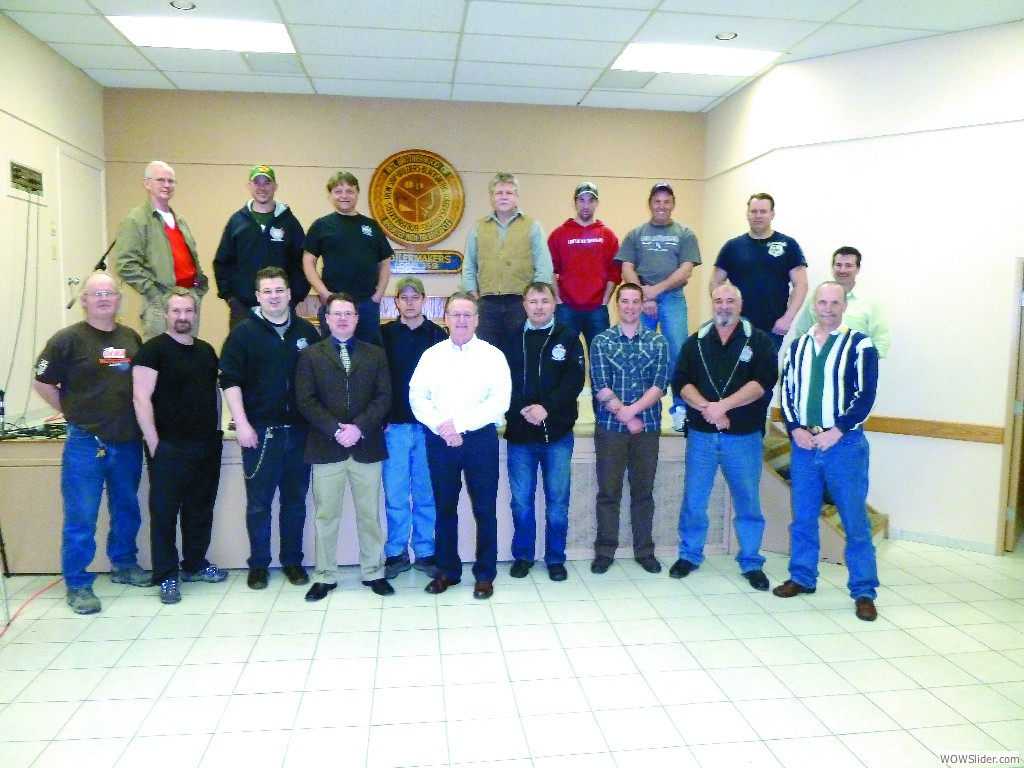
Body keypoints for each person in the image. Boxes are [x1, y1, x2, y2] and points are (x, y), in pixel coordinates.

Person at [33, 272, 151, 615]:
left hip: (127, 441)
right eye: (95, 293)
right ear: (84, 299)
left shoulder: (130, 337)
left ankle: (124, 565)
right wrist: (72, 413)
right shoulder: (66, 340)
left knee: (127, 509)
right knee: (81, 515)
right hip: (86, 443)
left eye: (109, 293)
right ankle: (78, 583)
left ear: (118, 299)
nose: (103, 298)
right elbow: (42, 382)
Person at [775, 282, 881, 621]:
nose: (828, 308)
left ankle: (863, 591)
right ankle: (802, 577)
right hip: (804, 445)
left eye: (835, 303)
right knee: (803, 517)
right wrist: (795, 429)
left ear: (843, 306)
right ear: (813, 306)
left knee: (854, 520)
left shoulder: (860, 344)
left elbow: (865, 395)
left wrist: (838, 430)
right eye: (822, 302)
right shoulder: (798, 346)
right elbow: (787, 392)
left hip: (844, 445)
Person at [670, 284, 778, 590]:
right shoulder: (696, 343)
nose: (724, 306)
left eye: (731, 300)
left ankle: (751, 562)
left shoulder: (760, 342)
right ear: (712, 304)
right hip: (702, 437)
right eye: (719, 300)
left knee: (748, 502)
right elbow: (681, 383)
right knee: (694, 500)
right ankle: (690, 555)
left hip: (743, 438)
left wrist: (724, 407)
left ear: (740, 305)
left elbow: (763, 383)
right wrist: (708, 409)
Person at [218, 267, 320, 590]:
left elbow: (318, 382)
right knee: (259, 504)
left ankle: (292, 561)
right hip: (261, 434)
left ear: (290, 294)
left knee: (295, 502)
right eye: (267, 291)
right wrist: (243, 424)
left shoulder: (307, 332)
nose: (274, 296)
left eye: (280, 290)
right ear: (258, 296)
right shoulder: (243, 334)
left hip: (300, 435)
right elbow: (229, 381)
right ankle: (259, 564)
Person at [409, 292, 511, 599]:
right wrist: (443, 426)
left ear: (477, 319)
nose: (462, 320)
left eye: (468, 315)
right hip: (440, 440)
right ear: (446, 318)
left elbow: (499, 401)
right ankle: (448, 571)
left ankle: (485, 574)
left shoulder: (493, 356)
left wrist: (460, 426)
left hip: (480, 439)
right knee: (444, 508)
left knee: (484, 509)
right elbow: (417, 396)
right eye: (456, 314)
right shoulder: (432, 356)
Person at [295, 294, 393, 601]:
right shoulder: (311, 355)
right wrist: (336, 430)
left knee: (370, 515)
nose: (342, 318)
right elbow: (305, 400)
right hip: (326, 447)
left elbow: (384, 397)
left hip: (367, 447)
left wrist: (358, 428)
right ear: (326, 318)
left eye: (348, 313)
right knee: (326, 515)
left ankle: (374, 572)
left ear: (357, 318)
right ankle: (325, 575)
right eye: (336, 313)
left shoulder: (375, 354)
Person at [132, 288, 226, 605]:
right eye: (176, 311)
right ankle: (167, 576)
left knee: (200, 509)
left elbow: (215, 392)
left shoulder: (206, 350)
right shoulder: (152, 351)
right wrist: (155, 443)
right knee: (165, 514)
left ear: (195, 314)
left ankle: (195, 565)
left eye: (188, 311)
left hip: (205, 445)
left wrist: (217, 430)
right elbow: (140, 398)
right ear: (165, 314)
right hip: (168, 447)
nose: (183, 317)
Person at [503, 282, 585, 582]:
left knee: (557, 502)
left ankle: (555, 558)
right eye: (533, 301)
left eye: (544, 301)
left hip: (558, 436)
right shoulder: (512, 338)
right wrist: (524, 409)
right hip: (521, 436)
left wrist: (546, 409)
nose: (539, 307)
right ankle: (523, 555)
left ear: (554, 304)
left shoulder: (568, 336)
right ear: (524, 304)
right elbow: (503, 381)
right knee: (521, 501)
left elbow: (573, 381)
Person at [589, 283, 670, 575]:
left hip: (646, 428)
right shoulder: (601, 341)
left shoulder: (658, 343)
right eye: (625, 301)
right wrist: (624, 415)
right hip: (610, 429)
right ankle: (604, 551)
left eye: (636, 301)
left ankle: (644, 551)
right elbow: (600, 384)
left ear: (641, 305)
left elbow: (660, 385)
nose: (631, 306)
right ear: (617, 304)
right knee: (608, 493)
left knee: (643, 493)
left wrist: (632, 413)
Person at [616, 182, 701, 429]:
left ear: (673, 204)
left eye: (666, 201)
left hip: (673, 299)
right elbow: (627, 268)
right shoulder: (636, 234)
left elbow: (686, 270)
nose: (661, 206)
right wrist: (644, 297)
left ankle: (679, 409)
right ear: (650, 204)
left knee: (677, 354)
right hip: (640, 300)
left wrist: (655, 291)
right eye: (657, 201)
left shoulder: (685, 234)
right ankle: (638, 408)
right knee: (639, 355)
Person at [380, 277, 448, 580]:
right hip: (393, 428)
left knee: (425, 494)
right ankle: (395, 553)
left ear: (423, 300)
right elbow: (377, 381)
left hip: (427, 430)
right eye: (403, 297)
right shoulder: (383, 335)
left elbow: (446, 383)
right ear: (396, 302)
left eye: (415, 296)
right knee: (395, 495)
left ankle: (425, 551)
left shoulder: (437, 335)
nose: (409, 302)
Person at [114, 160, 208, 340]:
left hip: (188, 300)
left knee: (188, 356)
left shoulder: (179, 219)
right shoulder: (136, 220)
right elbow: (126, 265)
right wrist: (155, 294)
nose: (167, 185)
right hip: (160, 304)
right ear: (147, 183)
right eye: (160, 180)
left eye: (171, 181)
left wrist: (198, 290)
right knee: (161, 360)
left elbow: (190, 258)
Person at [460, 172, 553, 346]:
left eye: (509, 193)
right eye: (499, 193)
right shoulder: (479, 227)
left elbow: (544, 265)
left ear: (517, 197)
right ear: (492, 197)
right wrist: (473, 297)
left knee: (520, 353)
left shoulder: (532, 226)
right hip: (487, 304)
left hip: (520, 302)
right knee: (487, 354)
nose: (504, 197)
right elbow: (469, 266)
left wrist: (535, 300)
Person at [213, 165, 309, 328]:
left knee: (279, 352)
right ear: (249, 186)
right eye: (257, 183)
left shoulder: (289, 222)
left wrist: (294, 297)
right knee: (243, 352)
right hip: (243, 307)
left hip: (281, 306)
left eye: (267, 183)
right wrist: (231, 297)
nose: (262, 188)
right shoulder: (237, 222)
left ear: (275, 186)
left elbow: (302, 262)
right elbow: (222, 262)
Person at [302, 171, 393, 345]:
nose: (344, 196)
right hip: (333, 304)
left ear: (357, 193)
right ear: (330, 195)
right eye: (338, 191)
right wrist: (323, 293)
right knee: (332, 356)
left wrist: (377, 296)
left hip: (367, 304)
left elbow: (385, 262)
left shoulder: (371, 226)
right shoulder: (321, 226)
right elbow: (308, 262)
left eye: (349, 191)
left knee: (369, 357)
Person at [711, 193, 808, 353]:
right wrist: (724, 310)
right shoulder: (733, 246)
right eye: (754, 211)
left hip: (773, 328)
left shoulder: (788, 245)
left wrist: (787, 318)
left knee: (765, 374)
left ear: (772, 214)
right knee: (735, 372)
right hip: (737, 326)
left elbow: (801, 284)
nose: (758, 216)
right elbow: (715, 282)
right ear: (747, 214)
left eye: (763, 212)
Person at [548, 181, 621, 352]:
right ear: (575, 202)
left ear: (597, 203)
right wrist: (558, 300)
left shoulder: (607, 235)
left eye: (590, 200)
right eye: (581, 200)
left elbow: (615, 271)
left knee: (600, 359)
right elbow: (550, 269)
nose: (586, 205)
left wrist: (604, 302)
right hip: (566, 308)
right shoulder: (559, 234)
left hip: (597, 309)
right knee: (564, 358)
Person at [792, 246, 891, 357]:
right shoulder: (818, 297)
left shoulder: (871, 302)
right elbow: (802, 332)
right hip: (819, 363)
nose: (842, 270)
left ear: (857, 269)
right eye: (838, 265)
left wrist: (866, 365)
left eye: (848, 266)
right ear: (832, 267)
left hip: (854, 367)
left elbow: (881, 340)